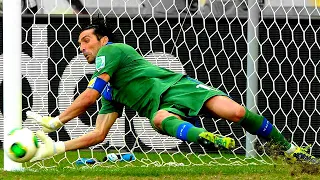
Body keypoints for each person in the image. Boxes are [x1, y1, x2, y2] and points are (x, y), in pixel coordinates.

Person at [27, 18, 317, 164]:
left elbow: (87, 96)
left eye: (86, 40)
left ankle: (291, 150)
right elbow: (99, 134)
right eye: (80, 43)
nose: (82, 47)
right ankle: (208, 138)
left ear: (102, 40)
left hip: (177, 87)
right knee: (158, 119)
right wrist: (58, 147)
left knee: (238, 112)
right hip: (161, 106)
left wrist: (58, 121)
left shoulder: (111, 51)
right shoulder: (111, 91)